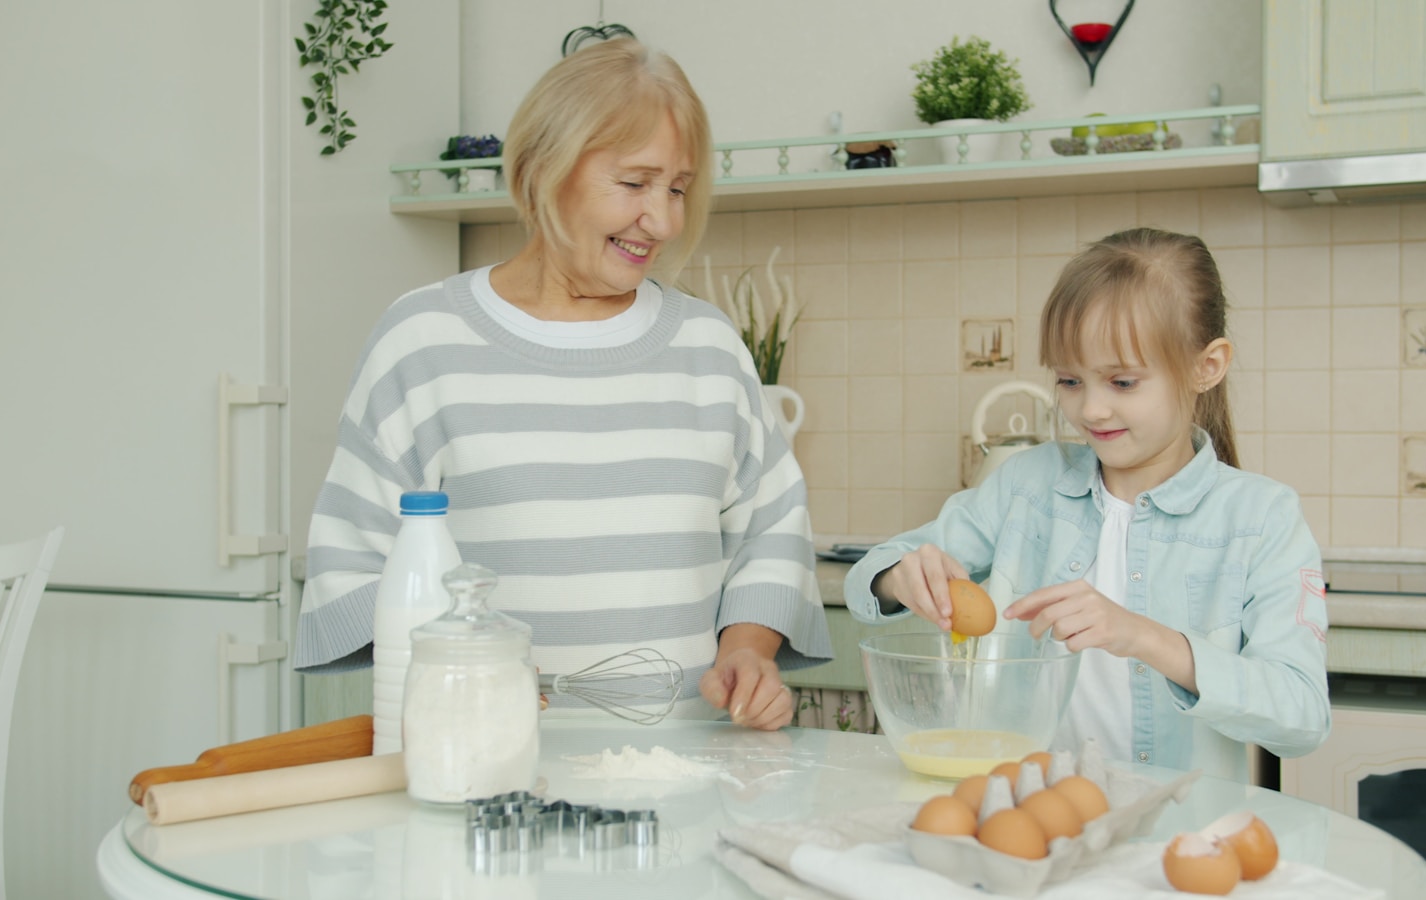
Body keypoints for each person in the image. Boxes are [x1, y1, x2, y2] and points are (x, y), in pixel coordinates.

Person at [294, 38, 830, 731]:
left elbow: (772, 531)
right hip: (486, 778)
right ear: (543, 170)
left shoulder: (708, 348)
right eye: (635, 184)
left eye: (678, 189)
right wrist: (469, 673)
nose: (663, 221)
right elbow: (353, 562)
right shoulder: (424, 342)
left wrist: (749, 652)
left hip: (687, 778)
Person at [843, 227, 1329, 780]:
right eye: (1070, 380)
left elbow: (1303, 716)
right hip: (1026, 814)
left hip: (1176, 835)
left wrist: (1145, 637)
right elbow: (864, 585)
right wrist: (898, 578)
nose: (1091, 409)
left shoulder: (1261, 519)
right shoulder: (1027, 487)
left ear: (1207, 366)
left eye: (1122, 382)